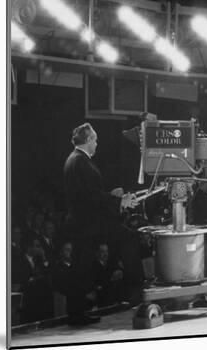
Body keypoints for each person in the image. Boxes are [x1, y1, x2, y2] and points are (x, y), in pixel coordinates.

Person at [62, 122, 138, 325]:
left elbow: (90, 193)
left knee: (81, 268)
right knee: (127, 237)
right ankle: (137, 292)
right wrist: (119, 201)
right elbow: (91, 196)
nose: (97, 143)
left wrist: (111, 196)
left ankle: (77, 314)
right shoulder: (80, 161)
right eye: (95, 139)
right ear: (87, 140)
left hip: (84, 223)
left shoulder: (76, 160)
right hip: (86, 224)